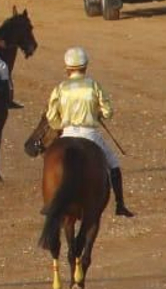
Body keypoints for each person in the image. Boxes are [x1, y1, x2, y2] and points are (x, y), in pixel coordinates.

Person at [42, 48, 133, 217]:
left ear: (67, 68)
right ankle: (120, 204)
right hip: (90, 134)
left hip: (67, 132)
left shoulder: (60, 88)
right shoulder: (93, 85)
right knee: (114, 163)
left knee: (50, 160)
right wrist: (99, 114)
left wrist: (61, 124)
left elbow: (51, 116)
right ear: (85, 67)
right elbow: (108, 111)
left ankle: (49, 202)